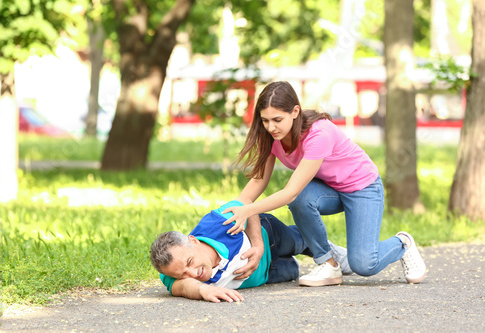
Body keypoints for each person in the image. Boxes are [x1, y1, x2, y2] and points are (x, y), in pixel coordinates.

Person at [221, 81, 426, 287]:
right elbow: (257, 182)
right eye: (265, 120)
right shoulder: (272, 137)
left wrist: (248, 210)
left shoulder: (319, 134)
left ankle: (403, 243)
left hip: (362, 187)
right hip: (329, 189)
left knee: (364, 265)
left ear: (295, 111)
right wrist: (234, 211)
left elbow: (290, 192)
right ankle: (328, 262)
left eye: (277, 119)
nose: (270, 127)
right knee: (301, 199)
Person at [150, 199, 351, 303]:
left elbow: (245, 206)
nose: (193, 274)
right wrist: (204, 290)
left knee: (301, 242)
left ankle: (331, 253)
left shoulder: (216, 223)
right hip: (267, 274)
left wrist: (257, 246)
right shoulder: (172, 273)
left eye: (189, 263)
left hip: (267, 236)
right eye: (182, 274)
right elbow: (183, 287)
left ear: (192, 241)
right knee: (296, 274)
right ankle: (313, 257)